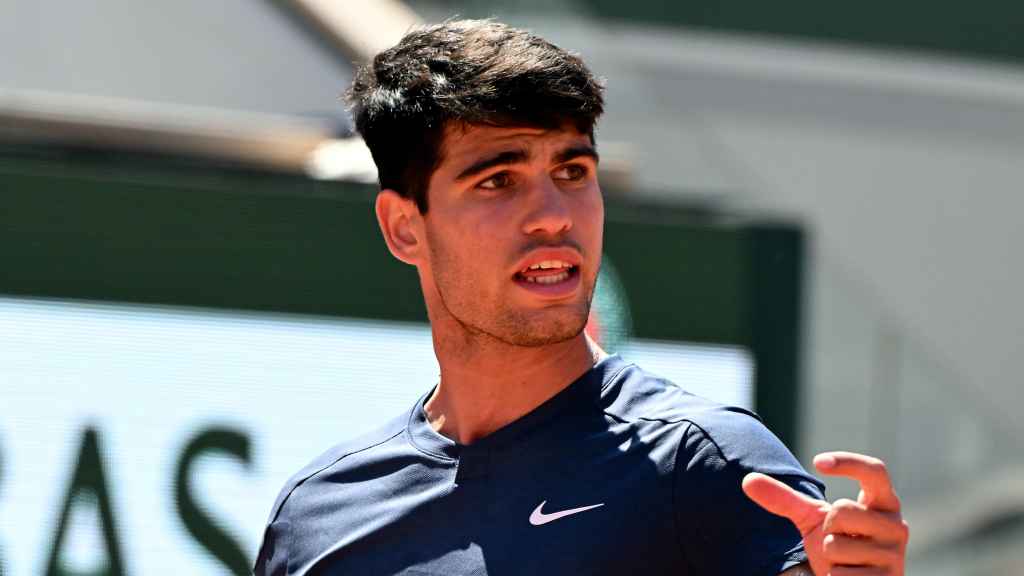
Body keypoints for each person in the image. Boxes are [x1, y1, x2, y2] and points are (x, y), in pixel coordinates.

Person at [254, 19, 909, 575]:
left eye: (572, 172)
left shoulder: (709, 463)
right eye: (499, 181)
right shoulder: (318, 516)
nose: (553, 215)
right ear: (404, 226)